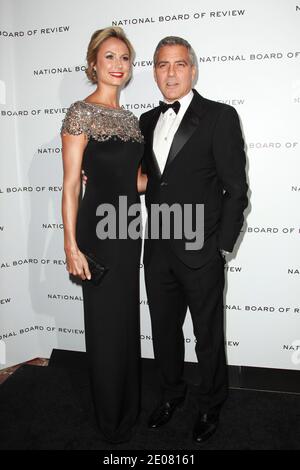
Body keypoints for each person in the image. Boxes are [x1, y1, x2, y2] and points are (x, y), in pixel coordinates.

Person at [139, 36, 248, 444]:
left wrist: (221, 246)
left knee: (207, 335)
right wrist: (97, 177)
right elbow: (149, 181)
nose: (170, 73)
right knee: (164, 331)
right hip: (159, 248)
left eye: (179, 64)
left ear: (193, 69)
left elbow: (236, 188)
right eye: (162, 64)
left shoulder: (219, 116)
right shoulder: (146, 121)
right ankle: (171, 395)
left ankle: (210, 403)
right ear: (154, 71)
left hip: (202, 251)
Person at [61, 27, 145, 444]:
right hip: (97, 230)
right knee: (105, 325)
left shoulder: (130, 120)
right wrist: (70, 244)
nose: (117, 65)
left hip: (129, 228)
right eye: (109, 57)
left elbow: (136, 182)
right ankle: (110, 420)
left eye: (124, 58)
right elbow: (71, 184)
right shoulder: (80, 113)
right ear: (93, 63)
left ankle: (129, 410)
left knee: (126, 321)